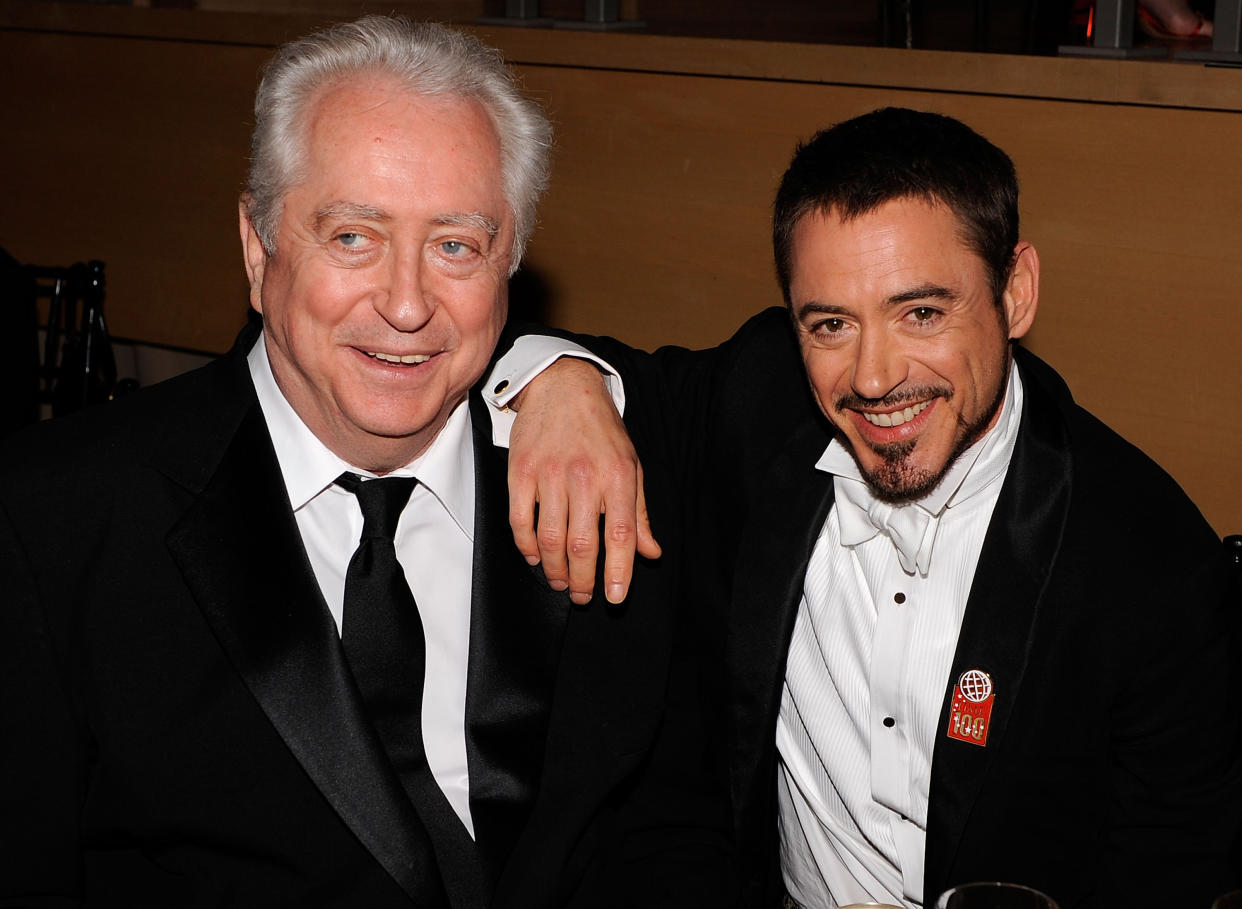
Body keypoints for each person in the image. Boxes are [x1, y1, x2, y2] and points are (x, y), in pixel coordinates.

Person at [0, 17, 730, 907]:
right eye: (353, 236)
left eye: (456, 245)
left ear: (510, 265)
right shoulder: (57, 518)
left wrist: (565, 367)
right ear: (256, 246)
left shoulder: (610, 475)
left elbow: (672, 836)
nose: (408, 302)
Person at [501, 107, 1242, 907]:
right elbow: (618, 377)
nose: (875, 376)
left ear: (1015, 291)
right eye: (830, 324)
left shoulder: (1149, 563)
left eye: (920, 312)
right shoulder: (763, 400)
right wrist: (560, 383)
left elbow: (1176, 866)